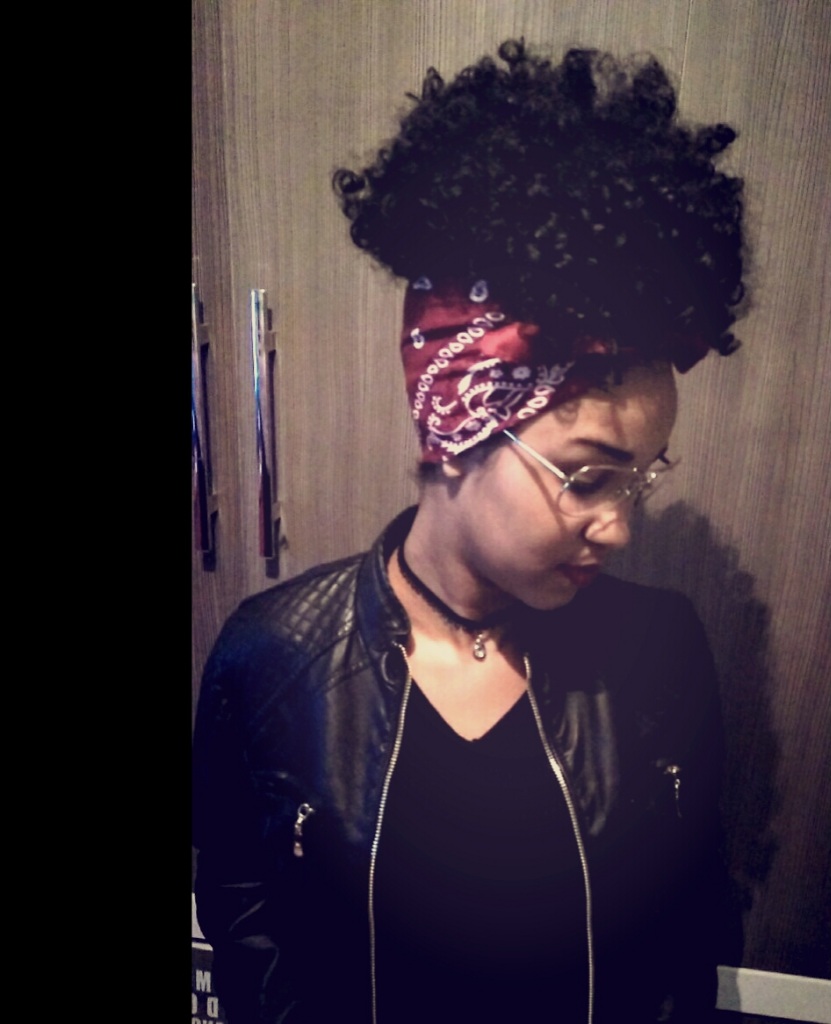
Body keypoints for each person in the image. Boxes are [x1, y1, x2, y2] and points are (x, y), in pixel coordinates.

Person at [192, 39, 746, 1024]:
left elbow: (686, 937)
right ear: (455, 427)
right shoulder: (270, 662)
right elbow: (250, 930)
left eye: (642, 477)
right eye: (585, 477)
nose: (620, 526)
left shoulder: (663, 653)